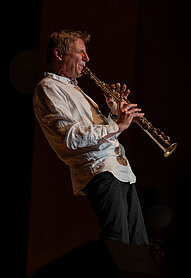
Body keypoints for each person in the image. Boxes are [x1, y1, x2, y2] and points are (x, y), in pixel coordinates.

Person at [33, 29, 149, 246]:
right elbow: (71, 137)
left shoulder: (74, 88)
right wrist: (117, 125)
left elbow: (94, 131)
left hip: (120, 170)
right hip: (100, 170)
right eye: (81, 52)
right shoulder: (48, 88)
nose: (87, 58)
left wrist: (114, 113)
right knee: (118, 246)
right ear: (59, 54)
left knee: (138, 246)